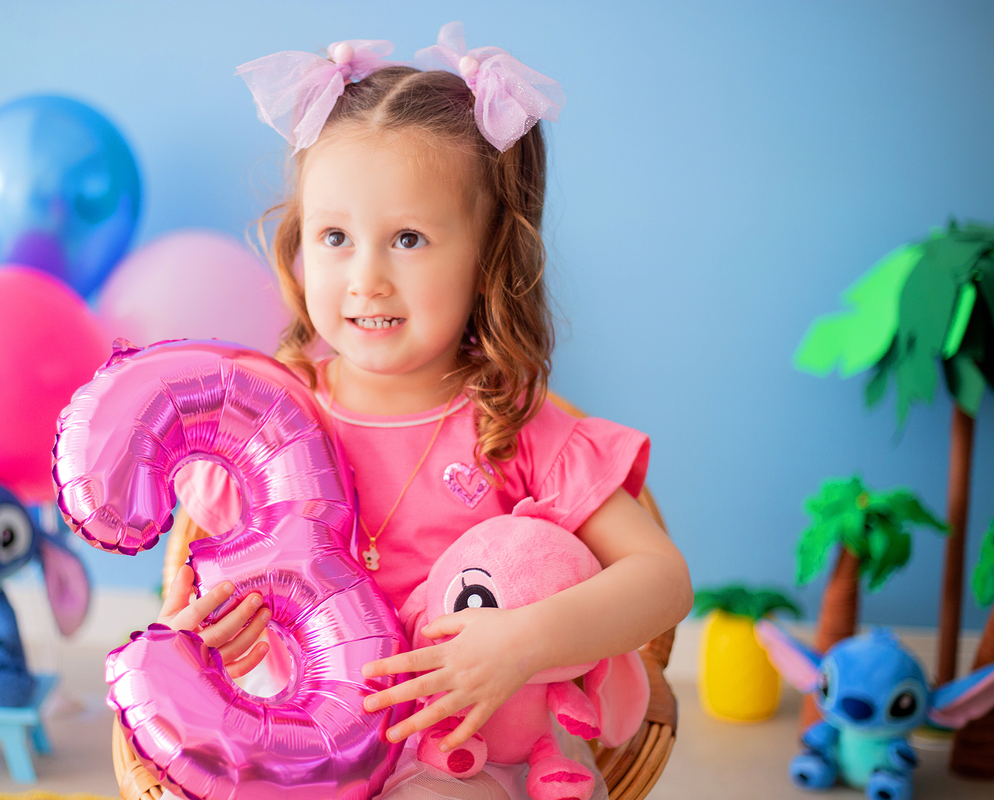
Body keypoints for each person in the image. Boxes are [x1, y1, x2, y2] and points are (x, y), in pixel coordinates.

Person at [154, 23, 693, 800]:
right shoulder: (271, 423)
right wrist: (214, 637)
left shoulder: (509, 424)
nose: (364, 278)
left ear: (487, 260)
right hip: (300, 735)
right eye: (335, 236)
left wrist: (520, 645)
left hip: (463, 752)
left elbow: (662, 579)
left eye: (408, 238)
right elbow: (197, 598)